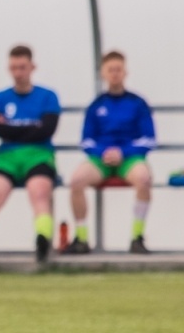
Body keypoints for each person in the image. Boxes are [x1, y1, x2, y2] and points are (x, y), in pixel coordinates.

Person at [0, 45, 60, 263]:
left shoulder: (47, 96)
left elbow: (47, 129)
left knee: (39, 192)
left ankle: (42, 238)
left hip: (39, 154)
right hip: (7, 157)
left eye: (22, 67)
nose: (18, 73)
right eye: (14, 68)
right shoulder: (0, 98)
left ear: (32, 67)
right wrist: (32, 129)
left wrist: (13, 130)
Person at [67, 51, 156, 254]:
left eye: (118, 69)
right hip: (101, 159)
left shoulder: (138, 103)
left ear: (125, 72)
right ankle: (81, 238)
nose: (115, 74)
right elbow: (86, 140)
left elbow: (149, 138)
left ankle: (137, 237)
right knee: (76, 180)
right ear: (103, 73)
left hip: (129, 159)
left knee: (144, 178)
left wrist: (123, 152)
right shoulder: (96, 105)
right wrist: (103, 152)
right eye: (111, 70)